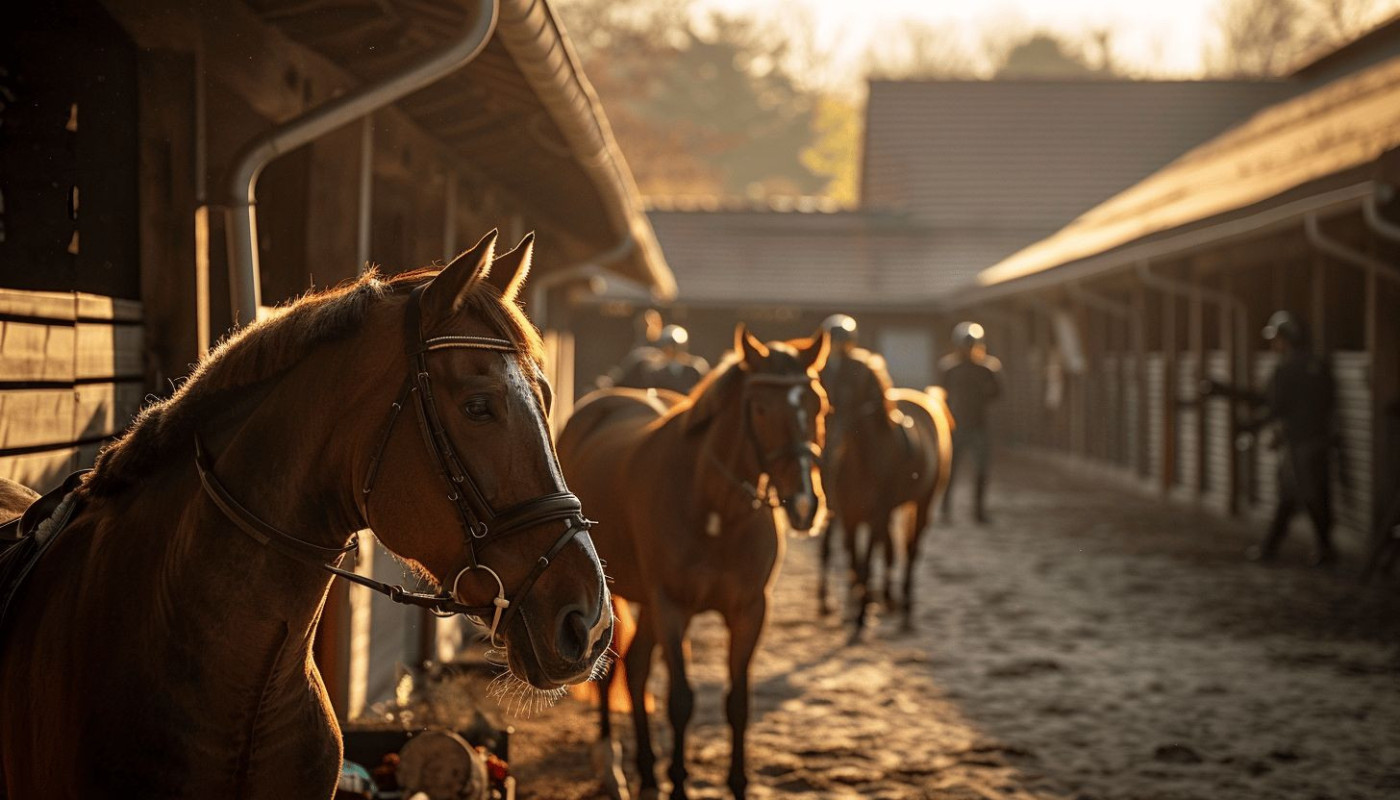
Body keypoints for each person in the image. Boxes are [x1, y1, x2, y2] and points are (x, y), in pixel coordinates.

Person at [1204, 310, 1337, 566]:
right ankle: (1279, 546)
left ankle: (1316, 547)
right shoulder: (1320, 367)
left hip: (1299, 442)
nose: (1274, 345)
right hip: (1318, 439)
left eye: (1277, 339)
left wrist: (1247, 423)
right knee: (1303, 493)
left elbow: (1272, 405)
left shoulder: (1285, 370)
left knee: (1305, 495)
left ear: (1289, 339)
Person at [937, 321, 1002, 524]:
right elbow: (942, 393)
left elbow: (998, 392)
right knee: (949, 470)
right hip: (955, 426)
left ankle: (979, 510)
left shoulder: (987, 369)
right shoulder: (950, 368)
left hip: (979, 425)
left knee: (981, 470)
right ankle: (945, 509)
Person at [610, 322, 709, 394]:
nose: (671, 350)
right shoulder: (655, 370)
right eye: (668, 347)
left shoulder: (694, 368)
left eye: (674, 347)